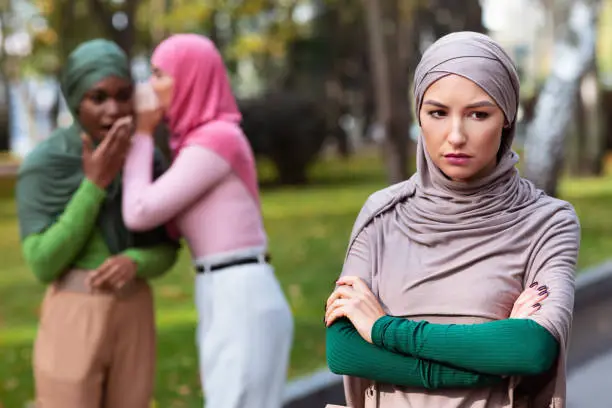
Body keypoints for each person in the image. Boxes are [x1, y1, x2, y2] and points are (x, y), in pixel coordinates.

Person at [325, 31, 579, 408]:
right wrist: (491, 359)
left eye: (478, 114)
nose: (456, 136)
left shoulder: (547, 222)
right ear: (419, 116)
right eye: (438, 113)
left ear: (507, 120)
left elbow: (532, 348)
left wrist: (382, 329)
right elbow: (345, 350)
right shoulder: (381, 215)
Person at [121, 34, 294, 408]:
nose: (151, 86)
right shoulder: (198, 143)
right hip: (222, 290)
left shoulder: (217, 139)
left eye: (160, 74)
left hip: (240, 293)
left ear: (190, 78)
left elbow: (139, 211)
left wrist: (143, 133)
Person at [15, 39, 180, 408]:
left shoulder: (144, 156)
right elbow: (42, 262)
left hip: (134, 307)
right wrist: (94, 185)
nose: (114, 110)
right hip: (74, 311)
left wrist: (135, 261)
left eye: (123, 95)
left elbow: (168, 248)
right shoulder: (46, 163)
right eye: (98, 97)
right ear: (76, 100)